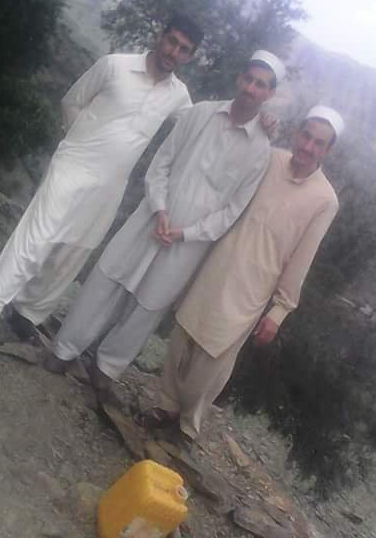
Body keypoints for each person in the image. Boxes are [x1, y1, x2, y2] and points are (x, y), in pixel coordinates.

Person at [0, 13, 204, 365]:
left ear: (189, 57)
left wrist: (260, 121)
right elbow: (71, 101)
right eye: (172, 41)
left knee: (72, 252)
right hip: (72, 167)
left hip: (111, 186)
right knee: (34, 241)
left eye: (183, 49)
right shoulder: (115, 66)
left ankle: (26, 312)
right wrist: (80, 143)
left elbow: (202, 126)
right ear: (160, 36)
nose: (173, 52)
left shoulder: (178, 96)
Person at [44, 51, 286, 403]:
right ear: (239, 79)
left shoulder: (261, 151)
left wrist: (187, 233)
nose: (251, 88)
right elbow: (162, 163)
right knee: (107, 280)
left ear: (269, 94)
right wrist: (159, 210)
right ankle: (65, 349)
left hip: (188, 244)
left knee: (148, 307)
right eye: (248, 79)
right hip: (151, 217)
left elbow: (232, 211)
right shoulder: (200, 113)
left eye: (260, 85)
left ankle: (106, 369)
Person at [145, 105, 343, 443]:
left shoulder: (325, 199)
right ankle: (166, 406)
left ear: (328, 151)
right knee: (182, 338)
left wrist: (279, 312)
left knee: (214, 359)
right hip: (216, 263)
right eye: (306, 136)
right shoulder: (271, 158)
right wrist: (261, 123)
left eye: (318, 143)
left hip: (254, 286)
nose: (308, 147)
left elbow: (303, 258)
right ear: (297, 134)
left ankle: (188, 426)